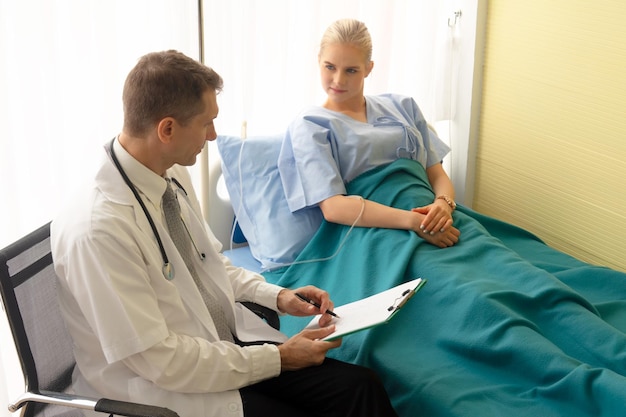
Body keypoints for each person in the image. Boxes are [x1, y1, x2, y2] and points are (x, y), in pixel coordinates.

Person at [50, 50, 398, 417]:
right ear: (167, 129)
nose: (213, 135)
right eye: (206, 124)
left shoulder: (167, 172)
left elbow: (211, 264)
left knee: (360, 388)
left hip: (220, 351)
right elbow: (161, 362)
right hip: (161, 391)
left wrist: (279, 296)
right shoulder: (99, 230)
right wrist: (279, 358)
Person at [278, 18, 460, 248]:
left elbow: (437, 174)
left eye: (351, 70)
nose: (338, 80)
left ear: (369, 69)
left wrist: (444, 205)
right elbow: (334, 208)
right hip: (375, 235)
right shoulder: (310, 125)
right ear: (318, 61)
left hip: (438, 221)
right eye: (330, 67)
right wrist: (414, 222)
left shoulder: (403, 107)